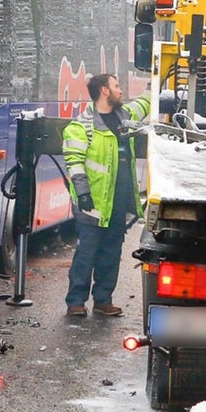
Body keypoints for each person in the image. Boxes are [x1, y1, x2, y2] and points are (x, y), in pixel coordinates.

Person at [62, 73, 150, 318]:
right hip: (93, 203)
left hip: (117, 201)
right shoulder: (82, 126)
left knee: (111, 253)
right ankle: (76, 301)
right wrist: (83, 193)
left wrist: (156, 83)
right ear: (104, 91)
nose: (121, 90)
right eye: (116, 86)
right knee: (86, 253)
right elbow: (75, 162)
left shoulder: (124, 117)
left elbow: (143, 104)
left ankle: (103, 300)